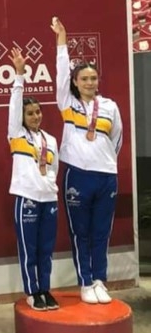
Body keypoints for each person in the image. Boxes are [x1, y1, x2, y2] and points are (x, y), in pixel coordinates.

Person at [51, 17, 123, 304]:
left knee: (101, 231)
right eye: (84, 79)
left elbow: (116, 139)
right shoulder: (67, 103)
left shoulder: (109, 106)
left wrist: (104, 161)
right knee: (80, 231)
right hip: (78, 174)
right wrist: (61, 42)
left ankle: (99, 280)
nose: (90, 82)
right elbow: (60, 72)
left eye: (93, 78)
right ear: (76, 83)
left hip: (106, 175)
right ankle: (84, 281)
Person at [7, 47, 60, 311]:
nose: (35, 116)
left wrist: (49, 186)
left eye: (38, 112)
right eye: (30, 113)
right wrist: (19, 74)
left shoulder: (50, 140)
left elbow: (55, 168)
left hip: (48, 198)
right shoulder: (16, 135)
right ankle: (32, 291)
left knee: (46, 248)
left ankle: (45, 289)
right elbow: (16, 103)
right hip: (26, 198)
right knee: (29, 249)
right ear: (22, 117)